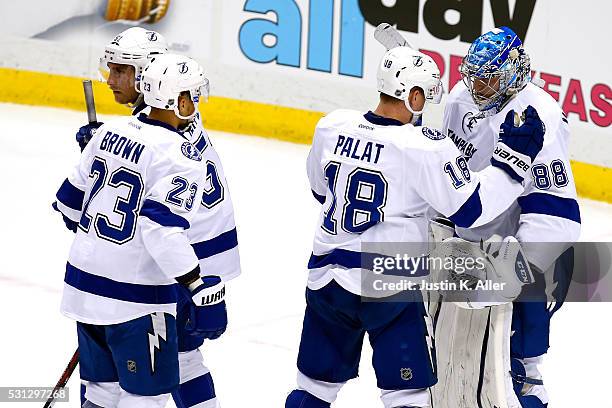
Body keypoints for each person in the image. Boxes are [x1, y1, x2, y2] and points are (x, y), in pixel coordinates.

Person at [285, 45, 547, 408]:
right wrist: (512, 162)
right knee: (408, 396)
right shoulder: (423, 147)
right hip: (390, 286)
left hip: (326, 281)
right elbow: (473, 210)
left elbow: (320, 190)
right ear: (414, 95)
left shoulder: (331, 126)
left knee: (313, 388)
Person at [77, 26, 240, 408]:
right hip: (191, 249)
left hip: (177, 258)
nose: (111, 80)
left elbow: (144, 213)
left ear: (149, 75)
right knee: (181, 359)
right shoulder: (164, 119)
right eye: (110, 69)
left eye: (122, 71)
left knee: (163, 368)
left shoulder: (158, 129)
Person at [438, 26, 581, 407]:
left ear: (514, 74)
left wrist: (511, 272)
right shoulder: (460, 97)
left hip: (520, 245)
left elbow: (557, 215)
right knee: (454, 356)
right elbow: (444, 165)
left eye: (489, 80)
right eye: (475, 78)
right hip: (469, 244)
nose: (478, 88)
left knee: (518, 366)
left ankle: (529, 379)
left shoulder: (540, 116)